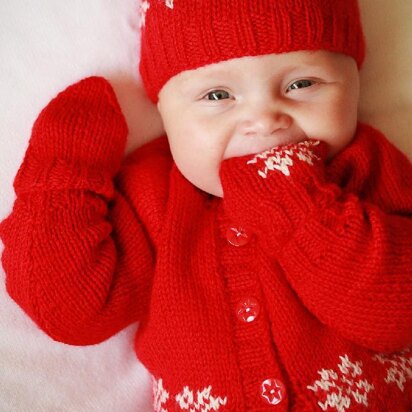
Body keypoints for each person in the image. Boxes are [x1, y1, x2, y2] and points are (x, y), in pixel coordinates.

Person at [0, 0, 411, 410]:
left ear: (354, 84)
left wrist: (294, 201)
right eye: (217, 95)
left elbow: (396, 315)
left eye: (301, 84)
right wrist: (63, 180)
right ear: (165, 114)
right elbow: (73, 314)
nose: (264, 120)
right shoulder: (156, 195)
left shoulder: (367, 167)